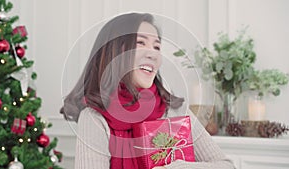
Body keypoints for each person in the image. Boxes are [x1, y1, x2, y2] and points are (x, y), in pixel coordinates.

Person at [60, 12, 235, 169]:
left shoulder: (175, 109)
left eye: (157, 47)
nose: (153, 54)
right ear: (115, 52)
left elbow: (226, 166)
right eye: (141, 43)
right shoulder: (94, 118)